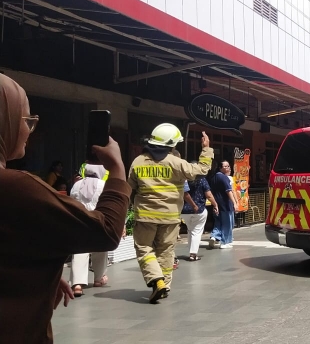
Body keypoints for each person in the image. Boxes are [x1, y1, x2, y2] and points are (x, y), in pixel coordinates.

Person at [0, 73, 130, 343]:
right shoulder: (18, 187)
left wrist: (41, 272)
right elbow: (105, 231)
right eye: (27, 121)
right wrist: (117, 171)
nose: (28, 131)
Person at [128, 123, 213, 304]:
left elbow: (130, 187)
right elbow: (201, 170)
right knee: (165, 251)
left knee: (144, 248)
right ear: (171, 144)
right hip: (170, 217)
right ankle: (164, 285)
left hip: (145, 216)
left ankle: (157, 281)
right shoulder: (176, 162)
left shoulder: (137, 162)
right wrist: (206, 149)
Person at [69, 165, 120, 296]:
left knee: (80, 251)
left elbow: (71, 202)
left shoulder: (77, 185)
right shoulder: (104, 185)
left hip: (80, 221)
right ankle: (99, 278)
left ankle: (77, 284)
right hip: (98, 221)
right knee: (101, 248)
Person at [182, 172, 218, 261]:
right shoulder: (202, 180)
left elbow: (183, 193)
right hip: (199, 210)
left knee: (190, 230)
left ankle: (191, 251)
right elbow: (209, 195)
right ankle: (193, 254)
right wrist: (215, 204)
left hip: (184, 210)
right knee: (196, 232)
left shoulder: (184, 180)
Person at [208, 161, 237, 249]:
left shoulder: (213, 177)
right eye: (225, 166)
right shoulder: (224, 178)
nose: (228, 168)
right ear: (220, 168)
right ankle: (225, 242)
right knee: (228, 223)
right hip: (225, 204)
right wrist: (234, 203)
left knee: (218, 222)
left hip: (217, 204)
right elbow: (229, 191)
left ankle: (214, 236)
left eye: (228, 166)